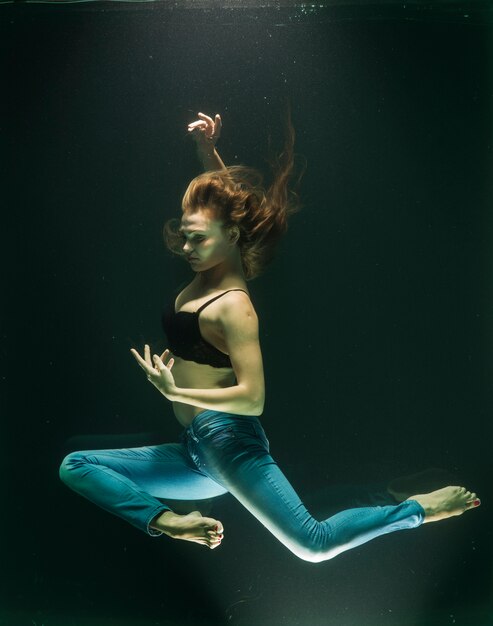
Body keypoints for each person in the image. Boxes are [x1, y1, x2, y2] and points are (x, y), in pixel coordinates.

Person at [59, 112, 480, 562]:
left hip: (229, 442)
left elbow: (254, 398)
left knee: (312, 544)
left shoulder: (235, 306)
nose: (186, 249)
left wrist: (174, 388)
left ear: (231, 237)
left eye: (196, 240)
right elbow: (226, 204)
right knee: (76, 466)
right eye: (185, 237)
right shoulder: (212, 258)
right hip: (194, 454)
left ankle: (418, 508)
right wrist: (207, 152)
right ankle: (167, 521)